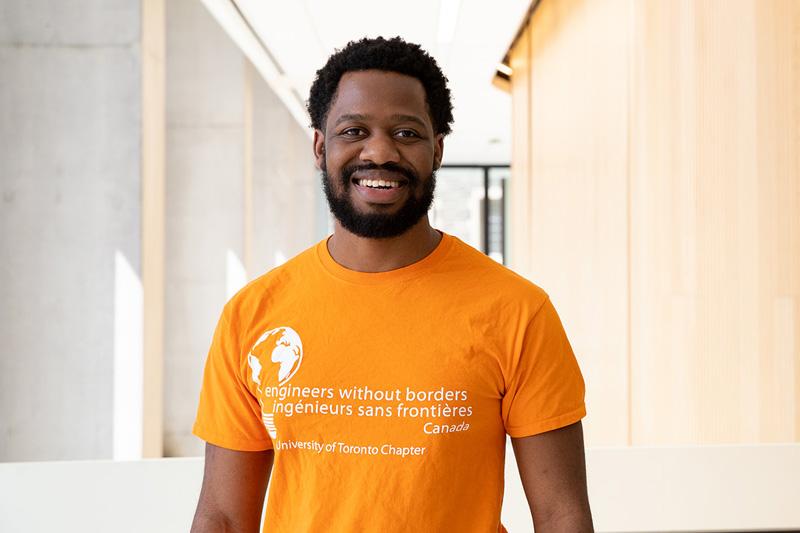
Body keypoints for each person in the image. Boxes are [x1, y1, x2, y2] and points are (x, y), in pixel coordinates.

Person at [190, 36, 593, 533]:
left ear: (437, 149)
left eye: (406, 132)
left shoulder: (517, 310)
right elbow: (224, 517)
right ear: (321, 146)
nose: (379, 151)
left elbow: (561, 515)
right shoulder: (252, 315)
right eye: (354, 130)